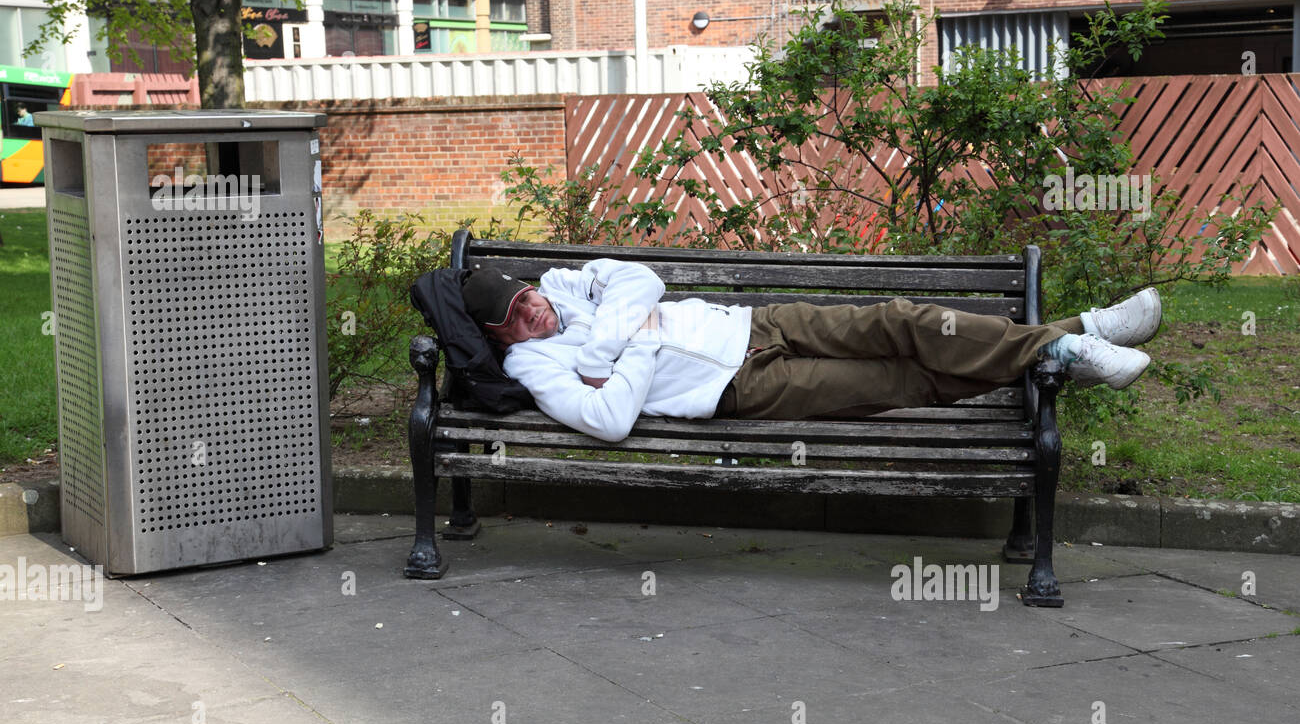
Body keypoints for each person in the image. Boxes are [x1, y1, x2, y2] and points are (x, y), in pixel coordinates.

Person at [461, 258, 1161, 443]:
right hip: (738, 388)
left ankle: (1072, 338)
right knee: (897, 380)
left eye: (524, 297)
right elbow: (610, 419)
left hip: (753, 321)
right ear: (500, 338)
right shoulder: (533, 366)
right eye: (519, 317)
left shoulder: (560, 286)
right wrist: (640, 347)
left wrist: (612, 339)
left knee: (899, 318)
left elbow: (640, 280)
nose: (535, 310)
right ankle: (1074, 341)